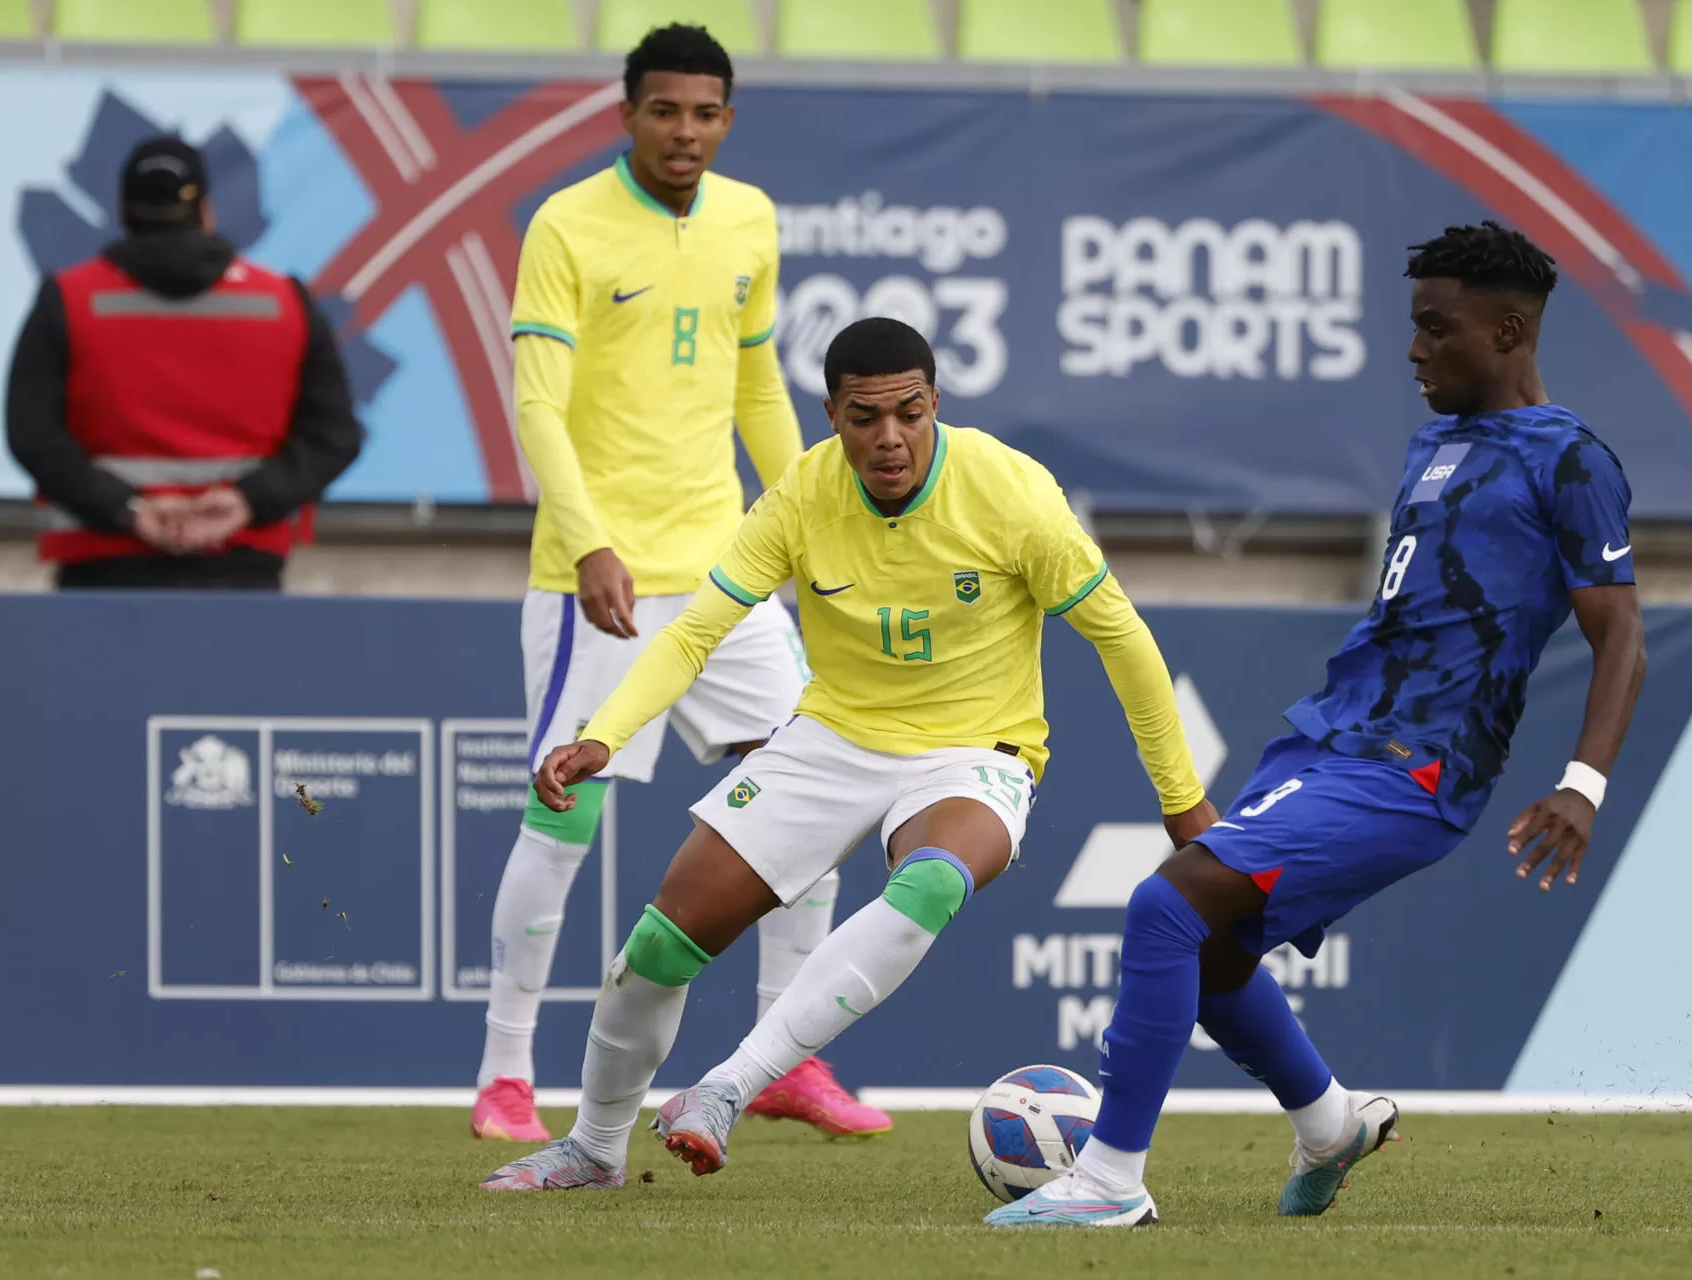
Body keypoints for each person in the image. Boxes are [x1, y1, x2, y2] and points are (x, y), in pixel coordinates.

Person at [990, 222, 1648, 1229]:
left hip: (1414, 769)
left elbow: (1623, 637)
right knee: (1207, 950)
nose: (1416, 348)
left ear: (1510, 329)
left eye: (1438, 328)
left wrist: (1583, 782)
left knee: (1164, 906)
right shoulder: (1441, 439)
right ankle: (1332, 1120)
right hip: (1330, 738)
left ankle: (1111, 1176)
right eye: (1415, 326)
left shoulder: (1571, 459)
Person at [479, 317, 1217, 1192]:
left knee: (935, 879)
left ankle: (727, 1090)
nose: (891, 438)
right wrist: (604, 733)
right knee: (658, 948)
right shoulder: (801, 494)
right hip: (830, 738)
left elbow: (1123, 640)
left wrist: (1182, 798)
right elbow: (696, 633)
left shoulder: (1012, 492)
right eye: (866, 417)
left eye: (910, 411)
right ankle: (595, 1149)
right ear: (832, 415)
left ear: (935, 400)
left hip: (975, 750)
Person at [474, 23, 886, 1143]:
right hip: (593, 580)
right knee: (566, 813)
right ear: (628, 115)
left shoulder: (749, 219)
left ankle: (790, 1059)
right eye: (666, 111)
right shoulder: (567, 224)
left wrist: (809, 516)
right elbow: (535, 405)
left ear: (728, 120)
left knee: (808, 798)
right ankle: (507, 1072)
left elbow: (758, 385)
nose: (686, 132)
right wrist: (588, 539)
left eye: (706, 113)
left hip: (725, 573)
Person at [5, 135, 361, 590]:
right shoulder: (283, 301)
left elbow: (31, 435)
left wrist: (127, 508)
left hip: (102, 568)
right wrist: (246, 503)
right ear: (206, 211)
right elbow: (334, 437)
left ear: (123, 210)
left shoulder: (68, 300)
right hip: (243, 564)